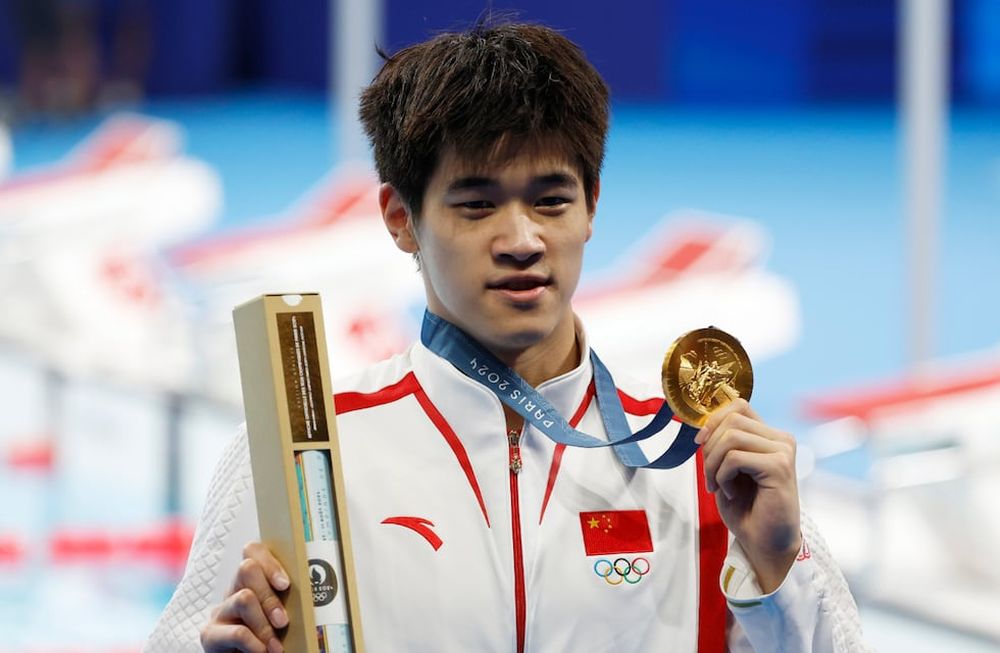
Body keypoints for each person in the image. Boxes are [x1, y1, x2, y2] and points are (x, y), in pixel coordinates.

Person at [146, 21, 869, 653]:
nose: (522, 240)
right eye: (478, 204)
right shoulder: (310, 454)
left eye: (551, 200)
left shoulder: (693, 465)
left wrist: (778, 563)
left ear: (592, 208)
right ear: (401, 219)